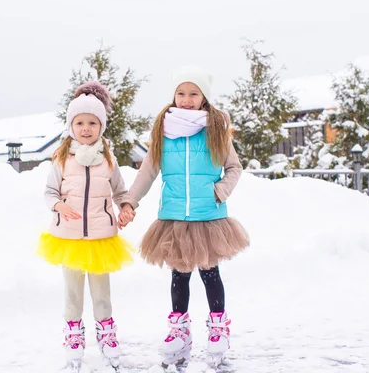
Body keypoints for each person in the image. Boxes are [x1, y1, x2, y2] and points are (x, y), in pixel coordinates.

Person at [118, 66, 250, 368]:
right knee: (179, 274)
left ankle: (218, 327)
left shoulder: (215, 129)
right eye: (181, 93)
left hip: (208, 216)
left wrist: (220, 191)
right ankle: (179, 329)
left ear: (203, 97)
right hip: (175, 215)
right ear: (174, 96)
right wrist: (130, 202)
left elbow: (235, 167)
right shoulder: (164, 131)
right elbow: (148, 171)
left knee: (209, 273)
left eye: (193, 93)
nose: (187, 99)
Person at [39, 81, 133, 371]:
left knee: (102, 292)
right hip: (68, 237)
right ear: (71, 125)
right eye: (80, 122)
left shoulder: (108, 159)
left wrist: (126, 208)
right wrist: (59, 205)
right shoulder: (61, 159)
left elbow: (120, 191)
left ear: (101, 126)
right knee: (73, 292)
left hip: (101, 237)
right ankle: (74, 335)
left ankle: (106, 333)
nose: (86, 128)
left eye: (92, 122)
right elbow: (49, 193)